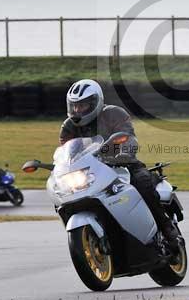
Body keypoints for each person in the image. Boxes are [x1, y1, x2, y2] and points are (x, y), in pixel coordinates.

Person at [59, 79, 179, 247]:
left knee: (142, 181)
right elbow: (67, 152)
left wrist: (118, 154)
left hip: (122, 164)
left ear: (95, 102)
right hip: (90, 172)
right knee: (63, 195)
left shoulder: (114, 114)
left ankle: (165, 226)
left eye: (83, 105)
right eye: (74, 106)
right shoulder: (69, 126)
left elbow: (128, 138)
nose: (77, 110)